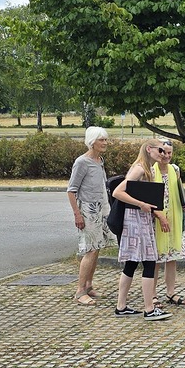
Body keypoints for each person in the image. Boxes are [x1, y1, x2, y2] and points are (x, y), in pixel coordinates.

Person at [112, 140, 172, 322]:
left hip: (140, 220)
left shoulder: (147, 168)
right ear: (149, 149)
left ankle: (121, 306)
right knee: (149, 262)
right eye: (160, 150)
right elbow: (118, 192)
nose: (163, 154)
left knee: (131, 264)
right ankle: (149, 309)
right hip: (136, 222)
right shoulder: (139, 168)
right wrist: (141, 204)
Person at [67, 126, 112, 305]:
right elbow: (71, 190)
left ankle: (88, 285)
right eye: (102, 140)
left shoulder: (99, 160)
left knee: (97, 247)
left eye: (106, 140)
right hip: (88, 210)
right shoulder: (82, 162)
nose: (105, 143)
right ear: (92, 142)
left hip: (101, 208)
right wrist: (77, 215)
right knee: (90, 249)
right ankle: (80, 292)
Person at [151, 139, 185, 306]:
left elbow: (179, 190)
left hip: (174, 217)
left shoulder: (175, 169)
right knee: (155, 259)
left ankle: (170, 292)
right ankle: (152, 294)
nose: (166, 156)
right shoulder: (151, 171)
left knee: (172, 257)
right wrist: (159, 216)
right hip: (157, 218)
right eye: (163, 152)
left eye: (169, 153)